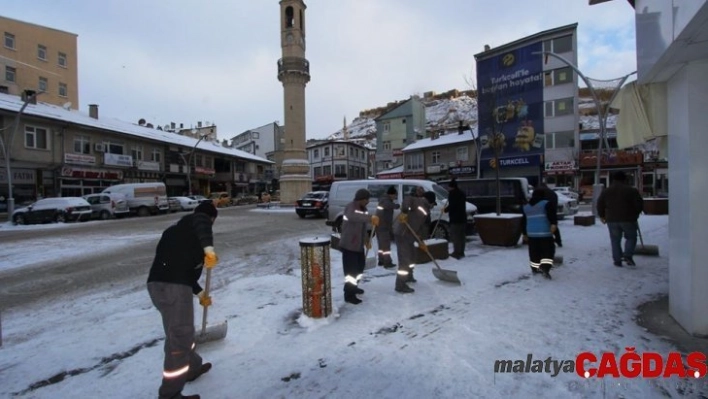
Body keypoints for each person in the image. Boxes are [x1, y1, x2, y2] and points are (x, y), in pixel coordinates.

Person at [147, 201, 220, 399]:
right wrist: (209, 249)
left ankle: (192, 368)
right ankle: (170, 395)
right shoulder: (199, 222)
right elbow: (202, 221)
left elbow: (180, 268)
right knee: (179, 342)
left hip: (157, 287)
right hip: (174, 289)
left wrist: (199, 293)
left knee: (179, 334)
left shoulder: (175, 233)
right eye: (211, 220)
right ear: (211, 218)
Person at [339, 188, 379, 305]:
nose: (368, 201)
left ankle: (354, 287)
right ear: (361, 199)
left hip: (359, 245)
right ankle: (349, 294)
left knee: (359, 269)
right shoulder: (350, 207)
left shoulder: (364, 209)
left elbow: (364, 226)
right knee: (350, 272)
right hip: (349, 245)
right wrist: (370, 218)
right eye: (367, 199)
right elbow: (352, 217)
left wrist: (367, 239)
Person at [597, 171, 644, 267]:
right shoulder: (631, 190)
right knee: (631, 237)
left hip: (612, 219)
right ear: (624, 179)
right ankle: (628, 255)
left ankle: (617, 260)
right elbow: (639, 204)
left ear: (613, 179)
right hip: (628, 219)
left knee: (615, 240)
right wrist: (636, 213)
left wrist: (602, 215)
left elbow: (600, 204)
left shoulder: (607, 191)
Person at [392, 186, 430, 293]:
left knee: (412, 257)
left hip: (411, 235)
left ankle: (409, 276)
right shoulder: (415, 201)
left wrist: (421, 241)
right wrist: (405, 211)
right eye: (432, 203)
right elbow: (407, 201)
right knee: (404, 260)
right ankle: (400, 285)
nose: (432, 206)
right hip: (403, 234)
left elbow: (421, 227)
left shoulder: (426, 210)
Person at [521, 188, 558, 279]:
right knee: (547, 252)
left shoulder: (526, 207)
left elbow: (524, 221)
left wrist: (524, 233)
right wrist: (553, 225)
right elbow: (552, 216)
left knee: (534, 252)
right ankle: (545, 268)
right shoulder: (546, 203)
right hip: (545, 233)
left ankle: (535, 269)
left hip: (531, 234)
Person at [375, 186, 400, 268]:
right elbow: (388, 206)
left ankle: (381, 260)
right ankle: (387, 262)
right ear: (391, 194)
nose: (395, 197)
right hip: (383, 226)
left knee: (381, 245)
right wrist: (396, 206)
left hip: (380, 225)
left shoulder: (383, 199)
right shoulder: (386, 201)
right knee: (385, 245)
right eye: (395, 195)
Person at [444, 179, 468, 259]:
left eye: (449, 187)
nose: (448, 188)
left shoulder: (452, 194)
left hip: (455, 219)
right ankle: (461, 252)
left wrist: (445, 210)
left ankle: (456, 252)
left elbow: (453, 206)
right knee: (462, 236)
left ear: (452, 187)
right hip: (463, 218)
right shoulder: (462, 193)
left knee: (456, 236)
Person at [535, 183, 563, 247]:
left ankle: (547, 241)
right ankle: (558, 241)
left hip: (543, 212)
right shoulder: (553, 193)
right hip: (552, 211)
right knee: (553, 226)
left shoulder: (540, 193)